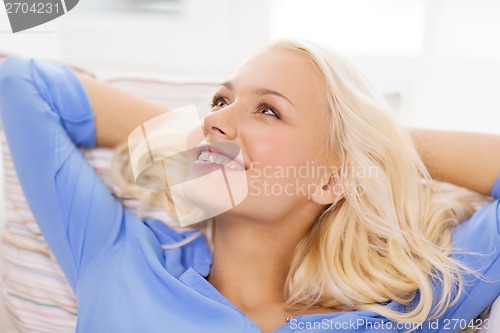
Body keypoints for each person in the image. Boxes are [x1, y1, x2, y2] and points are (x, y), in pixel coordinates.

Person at [0, 39, 498, 333]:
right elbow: (22, 82)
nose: (216, 120)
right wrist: (205, 141)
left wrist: (372, 147)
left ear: (331, 179)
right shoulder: (119, 256)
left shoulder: (408, 310)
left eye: (268, 110)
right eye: (219, 101)